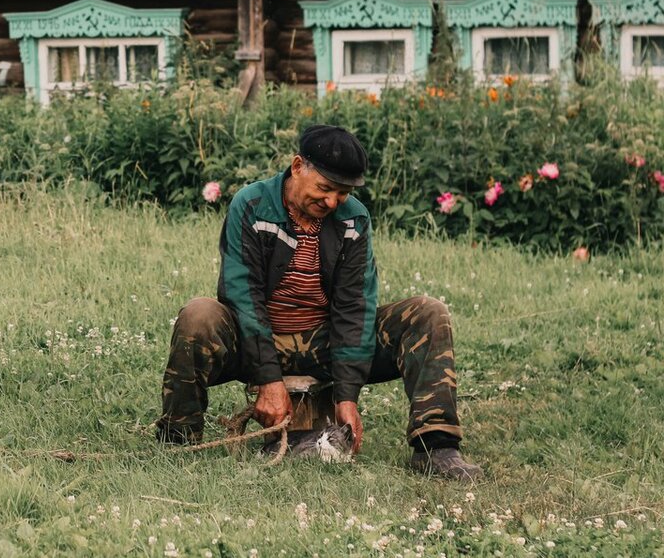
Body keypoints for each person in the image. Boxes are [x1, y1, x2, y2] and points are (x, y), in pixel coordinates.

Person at [156, 125, 482, 481]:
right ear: (298, 167)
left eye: (341, 194)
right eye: (324, 188)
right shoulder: (250, 205)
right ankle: (179, 438)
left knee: (428, 312)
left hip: (324, 343)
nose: (331, 202)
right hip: (256, 342)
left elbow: (354, 307)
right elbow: (241, 296)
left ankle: (436, 448)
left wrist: (347, 396)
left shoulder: (354, 219)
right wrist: (269, 379)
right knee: (198, 315)